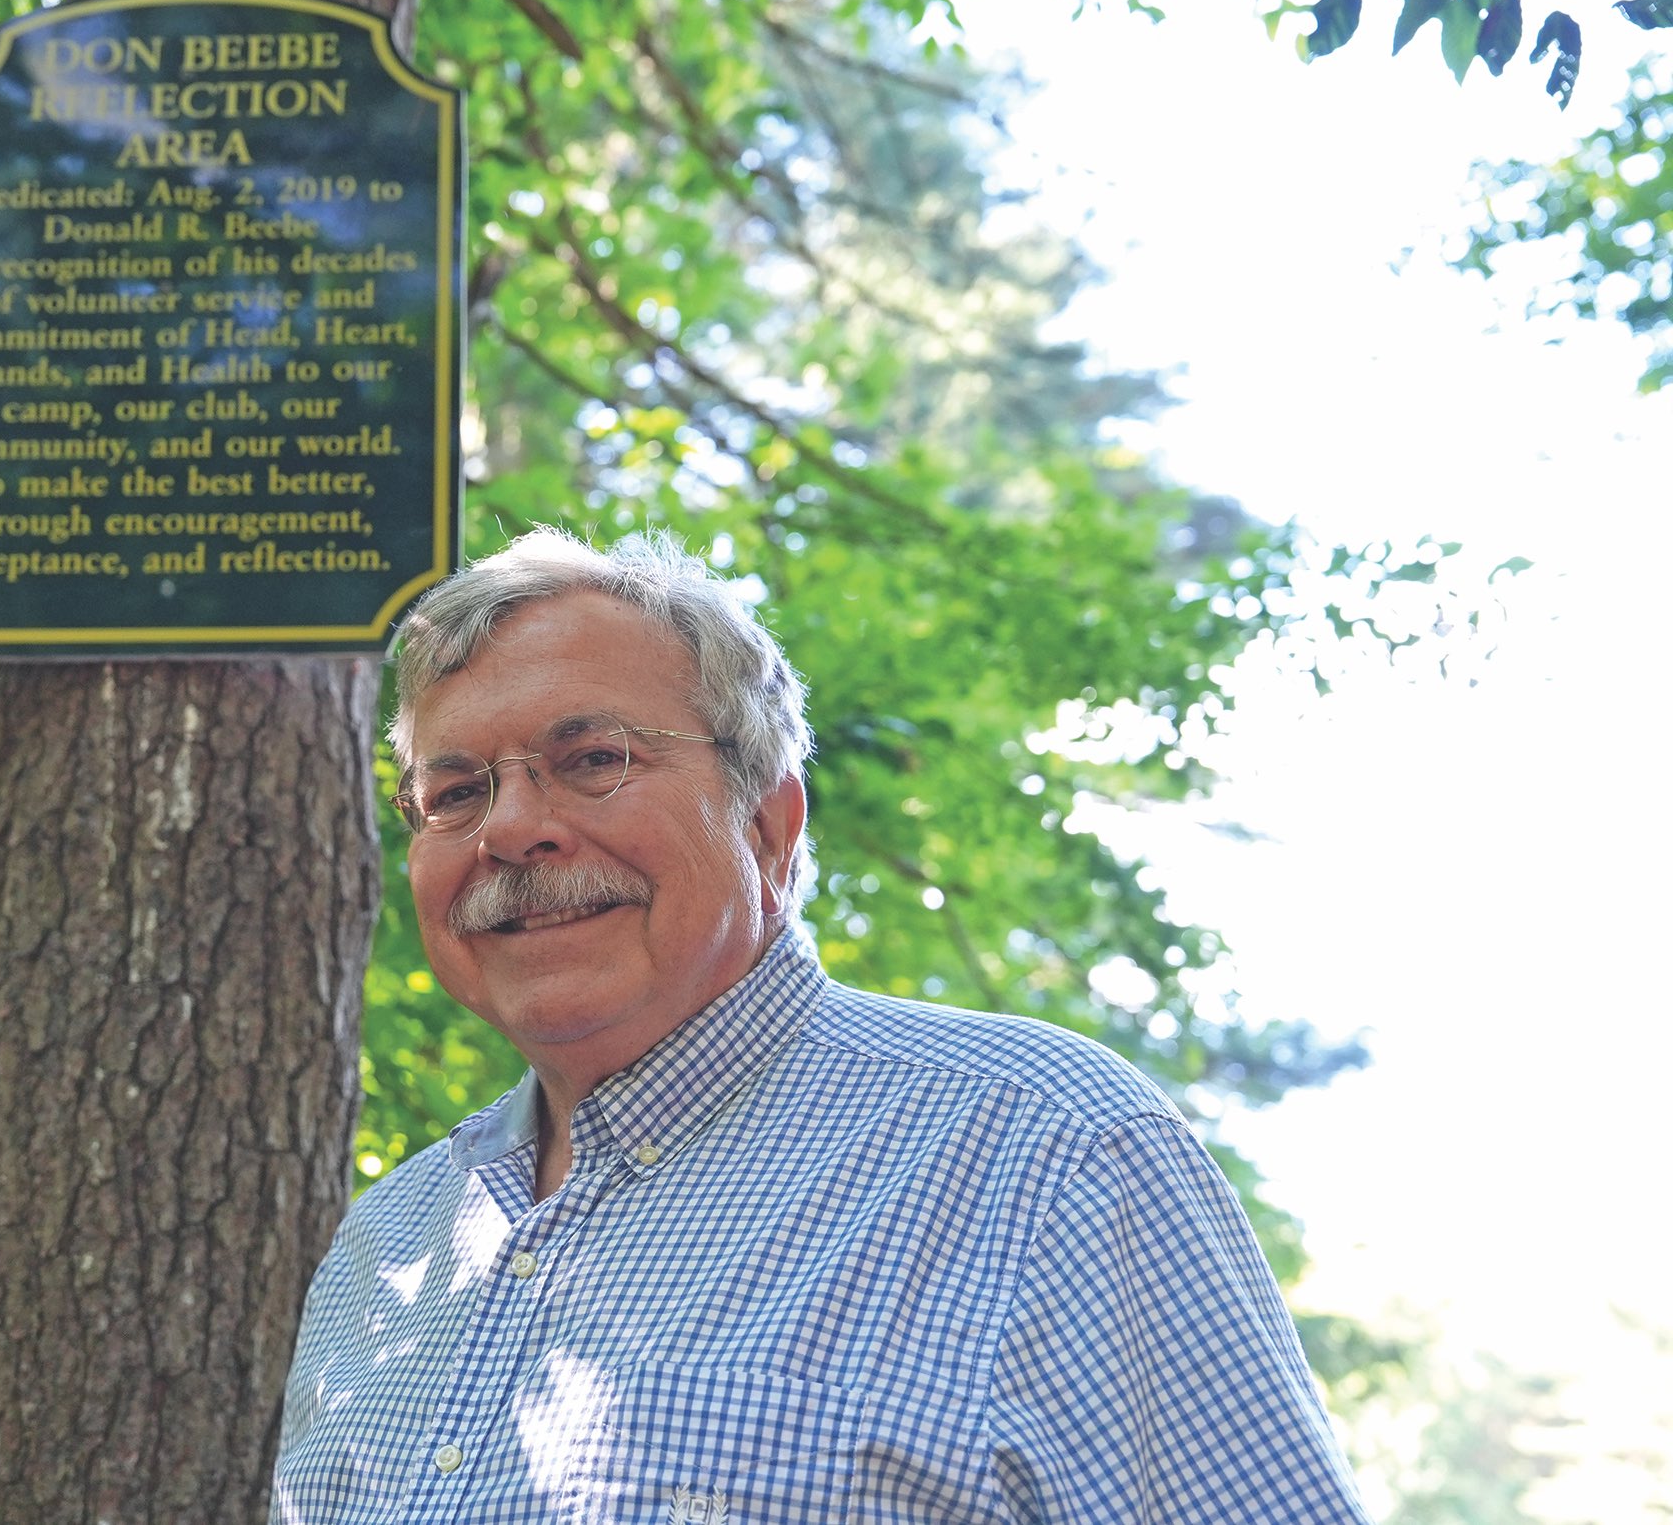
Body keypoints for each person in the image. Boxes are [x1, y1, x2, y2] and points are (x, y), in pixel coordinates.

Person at [270, 529, 1369, 1524]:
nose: (511, 827)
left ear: (769, 824)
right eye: (455, 790)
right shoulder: (393, 1242)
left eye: (593, 760)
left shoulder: (1048, 1153)